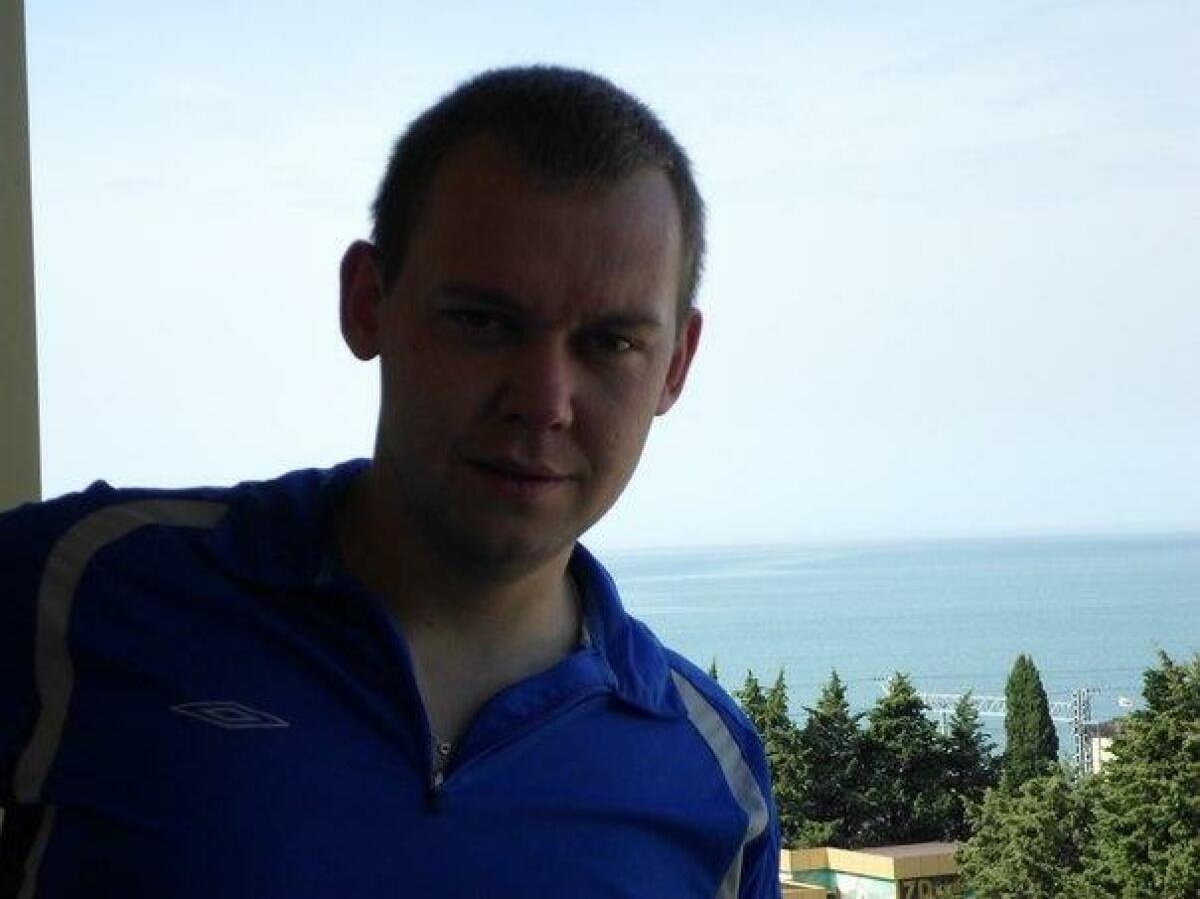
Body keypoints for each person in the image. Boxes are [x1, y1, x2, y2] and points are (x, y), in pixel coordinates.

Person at [0, 66, 780, 898]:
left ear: (676, 365)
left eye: (611, 343)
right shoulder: (79, 590)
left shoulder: (712, 779)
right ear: (368, 302)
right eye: (484, 322)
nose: (544, 401)